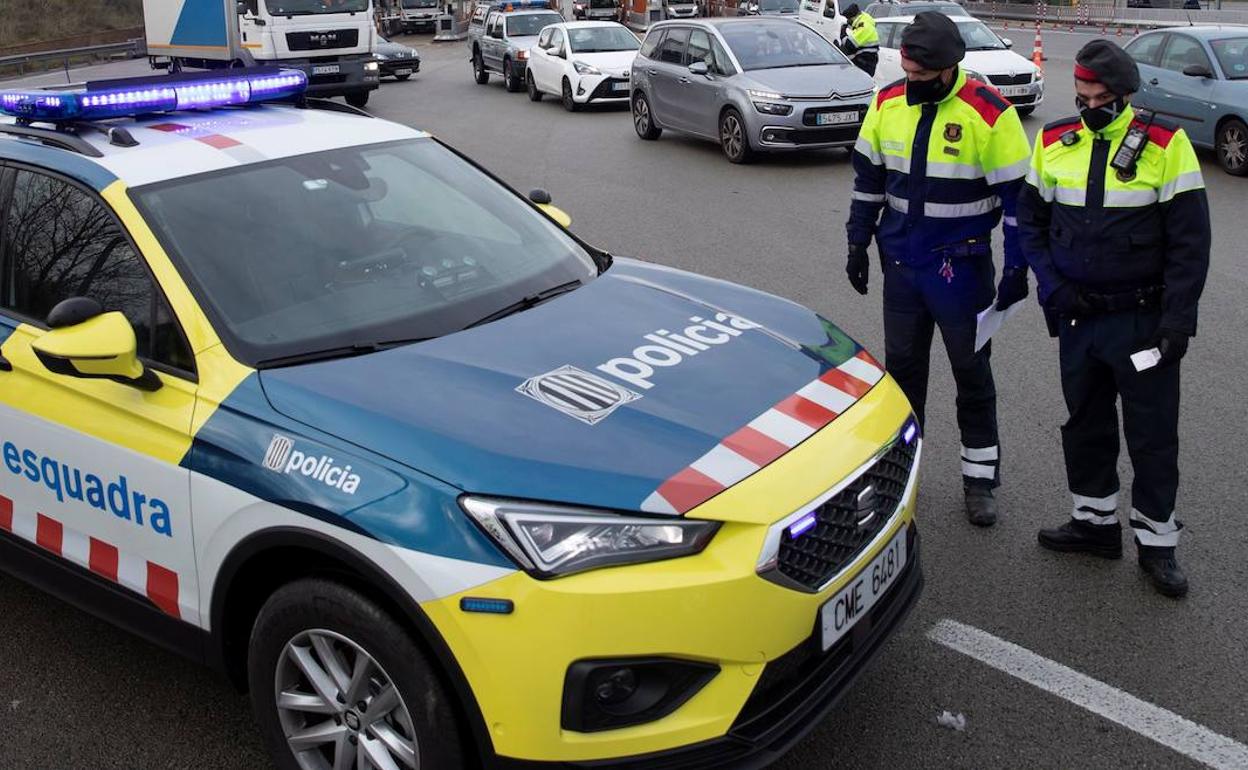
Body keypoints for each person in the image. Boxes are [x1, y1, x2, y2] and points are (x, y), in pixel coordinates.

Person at [1017, 40, 1210, 598]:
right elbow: (1031, 224)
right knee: (1085, 425)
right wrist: (1054, 289)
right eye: (1082, 97)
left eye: (1102, 98)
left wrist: (1179, 322)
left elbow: (1189, 245)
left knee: (1151, 435)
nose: (1090, 106)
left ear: (1124, 96)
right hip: (1079, 318)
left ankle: (1157, 543)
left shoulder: (1165, 145)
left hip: (1142, 321)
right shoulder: (1054, 141)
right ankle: (1094, 524)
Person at [845, 12, 1031, 527]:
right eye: (908, 74)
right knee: (902, 378)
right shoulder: (887, 102)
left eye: (923, 78)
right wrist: (857, 242)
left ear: (950, 68)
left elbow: (1018, 203)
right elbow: (868, 181)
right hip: (901, 263)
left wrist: (1018, 266)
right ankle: (905, 474)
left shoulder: (989, 113)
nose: (914, 85)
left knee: (972, 376)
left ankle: (980, 481)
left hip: (961, 269)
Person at [839, 3, 879, 77]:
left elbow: (850, 44)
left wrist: (843, 34)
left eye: (849, 19)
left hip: (865, 62)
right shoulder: (865, 21)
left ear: (854, 17)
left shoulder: (864, 26)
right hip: (867, 60)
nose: (848, 21)